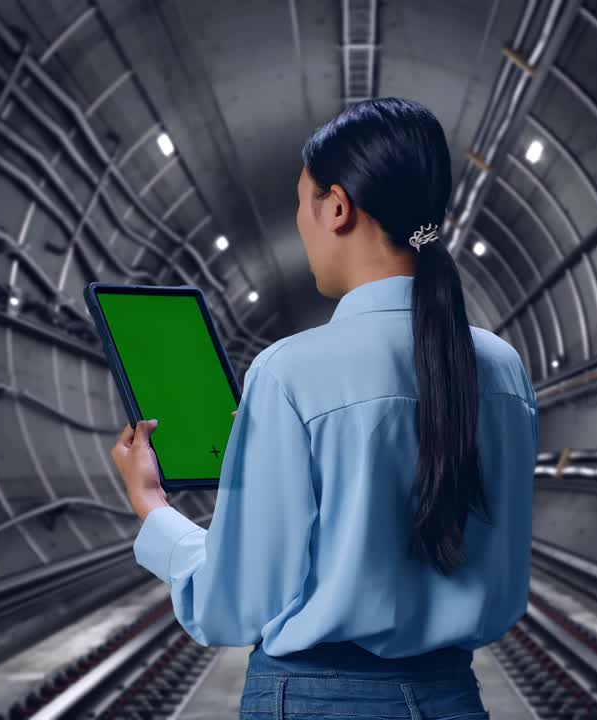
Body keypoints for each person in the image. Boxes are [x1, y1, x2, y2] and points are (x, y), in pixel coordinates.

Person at [111, 97, 536, 720]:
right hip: (451, 698)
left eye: (301, 203)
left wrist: (151, 507)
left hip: (315, 700)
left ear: (337, 207)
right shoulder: (504, 370)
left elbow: (232, 603)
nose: (300, 224)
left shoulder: (288, 374)